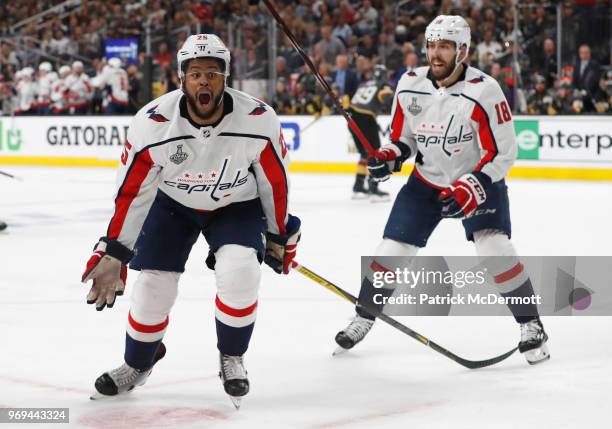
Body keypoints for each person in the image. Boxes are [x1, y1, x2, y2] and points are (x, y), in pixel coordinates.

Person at [82, 34, 301, 407]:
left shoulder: (259, 120)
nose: (204, 81)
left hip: (236, 204)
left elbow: (274, 183)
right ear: (181, 78)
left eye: (212, 73)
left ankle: (231, 356)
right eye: (195, 73)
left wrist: (279, 233)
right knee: (153, 287)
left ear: (225, 78)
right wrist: (115, 250)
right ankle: (138, 365)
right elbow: (133, 194)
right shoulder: (151, 124)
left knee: (240, 271)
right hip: (172, 205)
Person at [334, 15, 550, 365]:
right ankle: (363, 316)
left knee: (495, 249)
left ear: (462, 50)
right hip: (426, 183)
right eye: (432, 45)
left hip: (477, 179)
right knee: (389, 251)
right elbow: (403, 138)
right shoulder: (409, 84)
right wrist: (388, 155)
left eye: (445, 46)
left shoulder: (484, 90)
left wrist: (474, 184)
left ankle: (532, 325)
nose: (435, 53)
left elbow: (503, 152)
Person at [346, 64, 394, 201]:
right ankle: (373, 188)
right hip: (366, 118)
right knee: (375, 154)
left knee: (364, 154)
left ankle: (358, 186)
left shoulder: (364, 84)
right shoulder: (383, 84)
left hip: (351, 118)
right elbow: (385, 96)